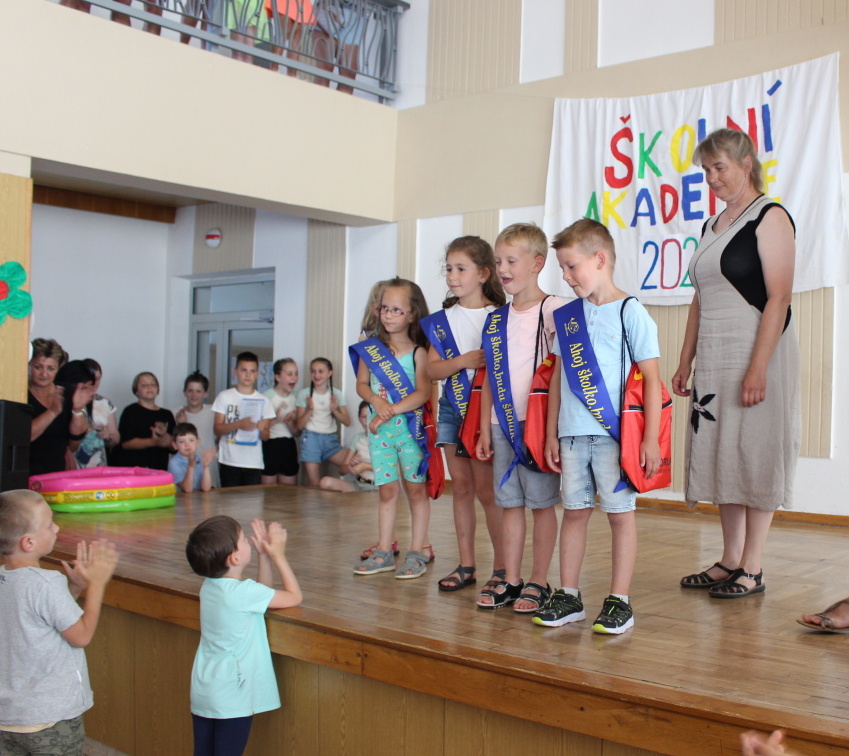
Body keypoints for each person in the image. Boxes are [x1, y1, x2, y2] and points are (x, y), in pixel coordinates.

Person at [673, 128, 800, 599]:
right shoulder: (711, 225)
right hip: (715, 354)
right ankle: (729, 559)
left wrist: (758, 368)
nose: (711, 178)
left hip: (757, 351)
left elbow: (779, 297)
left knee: (754, 451)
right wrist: (685, 360)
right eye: (706, 170)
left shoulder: (770, 216)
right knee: (722, 451)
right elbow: (699, 299)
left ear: (746, 163)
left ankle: (753, 565)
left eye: (719, 167)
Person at [534, 219, 661, 634]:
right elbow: (557, 377)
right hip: (571, 434)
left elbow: (652, 380)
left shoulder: (631, 312)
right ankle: (569, 595)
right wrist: (551, 432)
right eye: (563, 268)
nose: (566, 277)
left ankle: (619, 600)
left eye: (572, 266)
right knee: (574, 512)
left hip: (615, 437)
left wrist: (650, 440)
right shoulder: (569, 317)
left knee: (620, 516)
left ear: (600, 259)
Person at [475, 223, 564, 612]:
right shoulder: (496, 319)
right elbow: (489, 378)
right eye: (498, 262)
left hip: (538, 426)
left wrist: (553, 430)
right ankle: (511, 578)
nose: (503, 269)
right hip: (501, 426)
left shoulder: (555, 310)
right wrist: (483, 428)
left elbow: (563, 372)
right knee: (508, 502)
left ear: (537, 263)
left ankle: (539, 580)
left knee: (542, 503)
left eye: (511, 261)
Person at [0, 489, 119, 756]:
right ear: (28, 542)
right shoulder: (47, 584)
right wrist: (97, 583)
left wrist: (74, 589)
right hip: (50, 720)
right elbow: (81, 636)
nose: (56, 528)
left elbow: (39, 620)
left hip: (7, 718)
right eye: (49, 524)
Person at [421, 236, 507, 593]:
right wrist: (463, 361)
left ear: (483, 273)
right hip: (452, 410)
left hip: (486, 411)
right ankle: (466, 564)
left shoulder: (498, 315)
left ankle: (503, 568)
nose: (452, 276)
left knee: (487, 492)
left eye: (461, 269)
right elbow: (432, 370)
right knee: (462, 489)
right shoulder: (442, 321)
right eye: (449, 269)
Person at [186, 515, 302, 756]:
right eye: (243, 540)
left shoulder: (209, 587)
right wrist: (278, 556)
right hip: (232, 696)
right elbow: (294, 597)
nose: (248, 541)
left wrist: (263, 557)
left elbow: (261, 594)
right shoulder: (243, 593)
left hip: (206, 689)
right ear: (235, 558)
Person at [351, 278, 435, 579]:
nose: (388, 315)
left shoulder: (419, 353)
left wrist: (389, 410)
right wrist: (376, 401)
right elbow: (362, 384)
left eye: (396, 310)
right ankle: (384, 551)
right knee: (386, 491)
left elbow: (423, 393)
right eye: (384, 308)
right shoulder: (371, 351)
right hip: (380, 434)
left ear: (412, 314)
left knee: (416, 491)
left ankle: (417, 551)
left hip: (409, 433)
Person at [27, 339, 93, 476]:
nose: (44, 374)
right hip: (25, 472)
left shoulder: (67, 392)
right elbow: (23, 437)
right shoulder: (19, 394)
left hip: (56, 473)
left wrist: (77, 410)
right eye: (38, 367)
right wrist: (52, 412)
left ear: (58, 368)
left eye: (50, 368)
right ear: (29, 365)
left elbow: (74, 444)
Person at [212, 352, 276, 488]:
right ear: (235, 371)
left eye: (252, 371)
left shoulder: (264, 400)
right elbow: (217, 429)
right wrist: (238, 424)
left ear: (257, 373)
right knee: (228, 499)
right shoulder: (224, 396)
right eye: (243, 370)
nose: (248, 375)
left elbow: (266, 437)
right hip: (229, 460)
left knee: (252, 500)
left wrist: (263, 428)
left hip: (253, 462)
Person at [295, 358, 350, 487]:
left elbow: (347, 422)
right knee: (314, 484)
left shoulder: (336, 393)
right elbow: (299, 425)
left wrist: (334, 410)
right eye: (313, 371)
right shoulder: (304, 394)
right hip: (310, 438)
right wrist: (309, 410)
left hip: (330, 439)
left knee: (352, 463)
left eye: (320, 371)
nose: (316, 375)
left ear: (329, 373)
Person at [112, 372, 176, 471]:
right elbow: (126, 443)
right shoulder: (130, 411)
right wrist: (154, 442)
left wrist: (166, 437)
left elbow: (174, 447)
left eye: (153, 384)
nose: (149, 387)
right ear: (136, 391)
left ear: (158, 389)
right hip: (133, 468)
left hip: (158, 468)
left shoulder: (167, 414)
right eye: (144, 384)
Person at [319, 400, 376, 492]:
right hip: (358, 485)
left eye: (371, 416)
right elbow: (342, 471)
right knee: (325, 482)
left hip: (378, 488)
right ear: (359, 418)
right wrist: (351, 465)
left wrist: (365, 466)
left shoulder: (387, 438)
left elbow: (395, 470)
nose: (367, 421)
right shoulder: (357, 438)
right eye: (364, 417)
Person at [74, 358, 121, 469]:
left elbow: (116, 438)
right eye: (91, 378)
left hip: (99, 466)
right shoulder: (71, 401)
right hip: (74, 465)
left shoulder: (105, 403)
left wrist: (107, 436)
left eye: (98, 379)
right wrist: (83, 430)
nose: (95, 383)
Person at [176, 371, 220, 488]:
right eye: (190, 391)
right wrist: (181, 424)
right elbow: (174, 442)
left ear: (205, 393)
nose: (194, 395)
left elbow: (221, 436)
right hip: (185, 469)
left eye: (198, 391)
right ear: (184, 392)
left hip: (209, 467)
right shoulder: (176, 413)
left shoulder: (213, 411)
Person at [261, 359, 300, 485]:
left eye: (296, 373)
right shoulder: (266, 397)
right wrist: (276, 419)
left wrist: (289, 423)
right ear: (277, 377)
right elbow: (260, 429)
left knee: (288, 492)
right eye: (289, 374)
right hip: (269, 445)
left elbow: (297, 433)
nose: (294, 377)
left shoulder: (297, 397)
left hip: (289, 444)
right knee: (268, 491)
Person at [169, 422, 216, 493]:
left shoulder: (200, 459)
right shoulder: (174, 463)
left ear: (198, 442)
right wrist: (191, 467)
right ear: (175, 445)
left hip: (198, 498)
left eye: (191, 440)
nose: (187, 445)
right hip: (180, 498)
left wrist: (206, 467)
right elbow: (187, 489)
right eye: (181, 441)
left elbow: (206, 488)